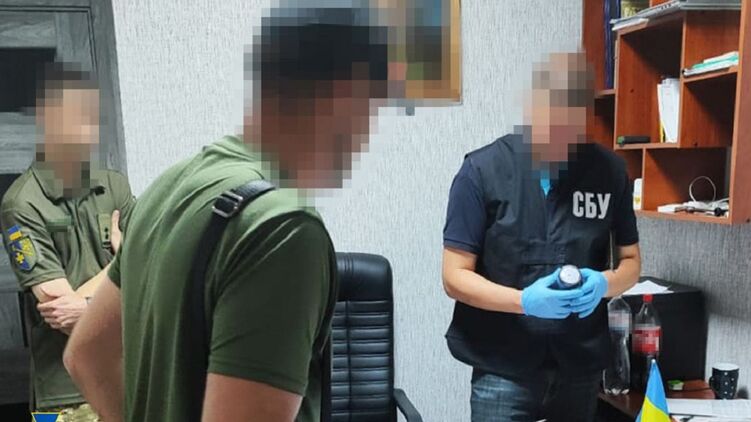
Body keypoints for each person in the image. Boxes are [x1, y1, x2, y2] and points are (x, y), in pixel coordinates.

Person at [64, 5, 392, 422]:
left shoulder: (169, 187)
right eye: (370, 110)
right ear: (345, 96)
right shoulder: (283, 231)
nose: (366, 134)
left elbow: (87, 356)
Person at [442, 52, 642, 422]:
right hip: (503, 370)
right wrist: (524, 302)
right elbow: (454, 277)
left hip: (579, 368)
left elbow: (631, 262)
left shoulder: (610, 172)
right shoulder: (481, 171)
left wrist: (604, 284)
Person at [0, 63, 135, 421]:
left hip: (127, 375)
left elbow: (155, 271)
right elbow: (61, 312)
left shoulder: (114, 185)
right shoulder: (22, 203)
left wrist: (87, 301)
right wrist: (125, 262)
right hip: (63, 393)